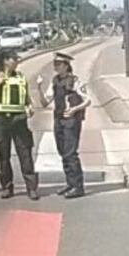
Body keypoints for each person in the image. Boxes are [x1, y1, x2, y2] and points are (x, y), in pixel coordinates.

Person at [0, 49, 39, 200]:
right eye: (14, 59)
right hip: (1, 121)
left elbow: (26, 97)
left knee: (25, 154)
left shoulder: (21, 77)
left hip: (19, 120)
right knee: (4, 155)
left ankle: (31, 188)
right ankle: (7, 187)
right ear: (5, 61)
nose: (17, 61)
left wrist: (30, 106)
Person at [37, 52, 91, 198]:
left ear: (66, 66)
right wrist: (39, 88)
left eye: (59, 64)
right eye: (55, 64)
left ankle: (78, 186)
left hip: (71, 121)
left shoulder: (75, 81)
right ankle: (70, 183)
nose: (56, 67)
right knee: (62, 152)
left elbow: (87, 100)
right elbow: (45, 102)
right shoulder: (54, 81)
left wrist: (74, 109)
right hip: (58, 119)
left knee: (70, 153)